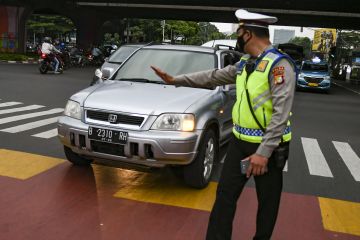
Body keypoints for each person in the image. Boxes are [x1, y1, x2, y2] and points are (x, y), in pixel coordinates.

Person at [151, 9, 296, 240]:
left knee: (267, 204)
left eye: (239, 32)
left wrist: (263, 153)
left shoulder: (279, 66)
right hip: (239, 144)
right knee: (225, 196)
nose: (237, 37)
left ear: (248, 34)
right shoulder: (245, 63)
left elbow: (281, 114)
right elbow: (213, 76)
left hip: (268, 150)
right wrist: (175, 80)